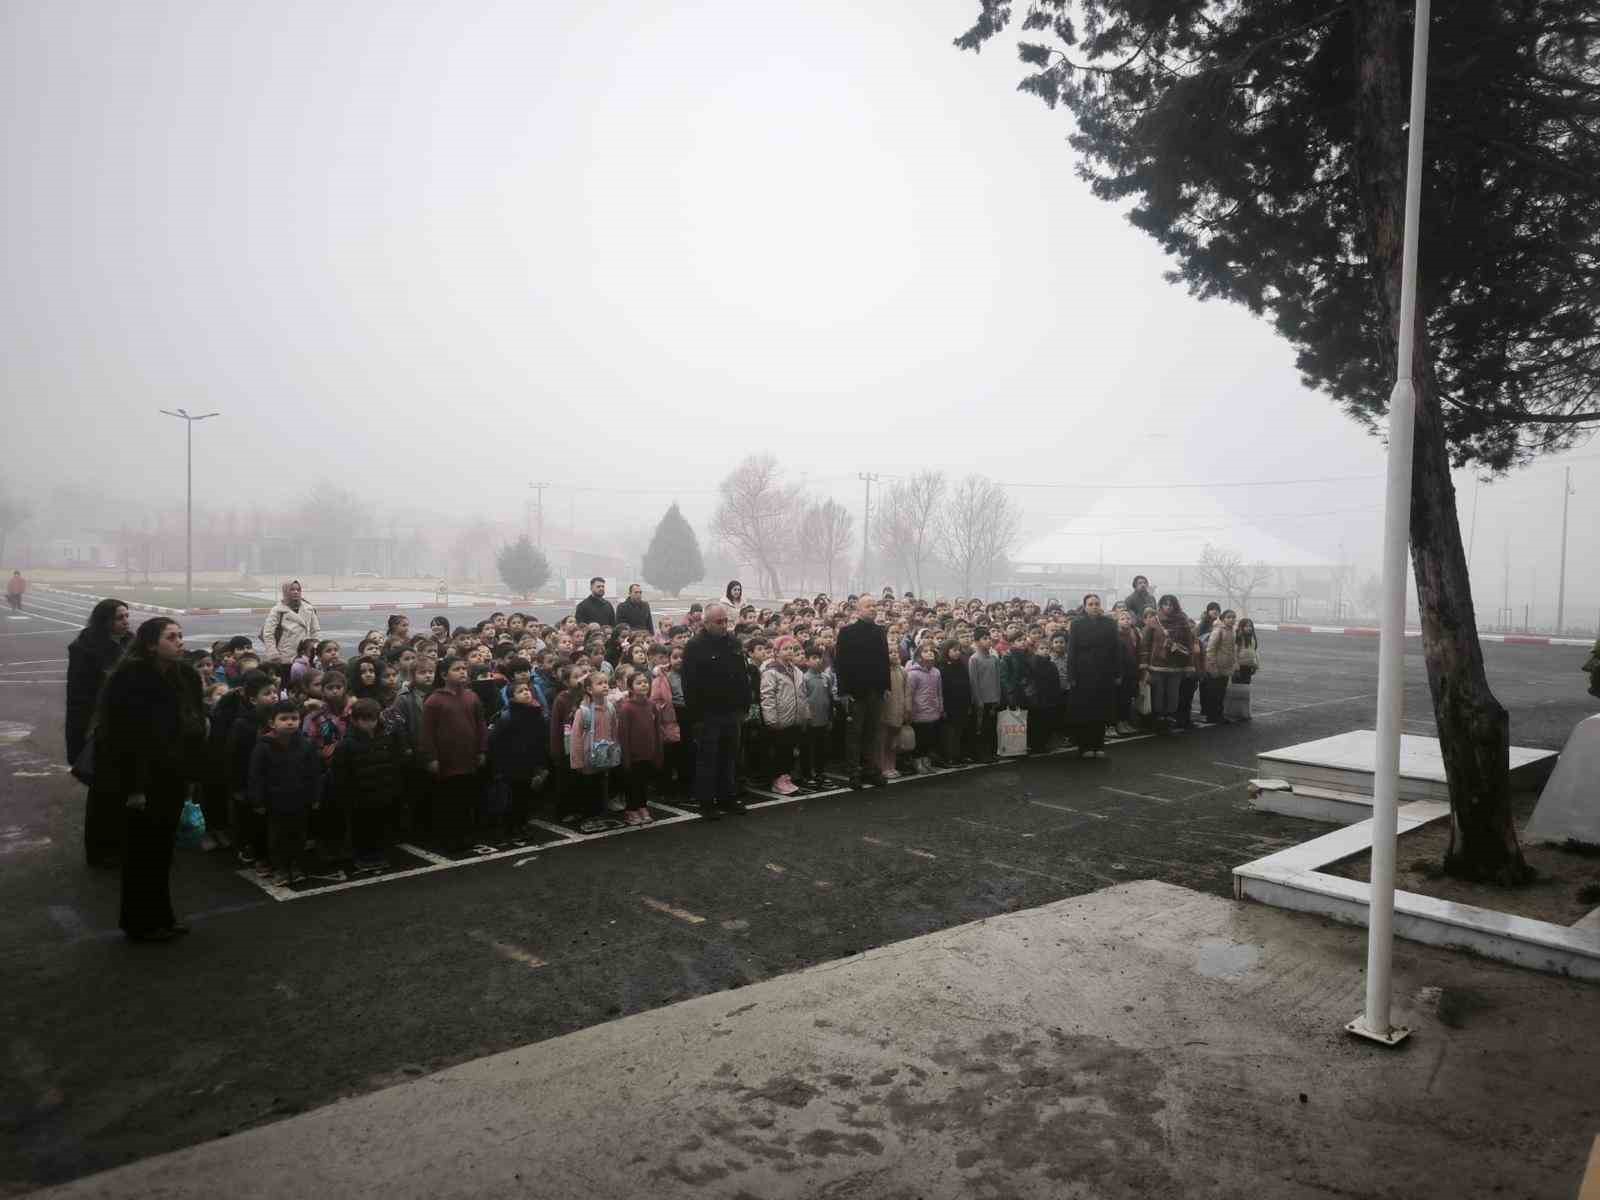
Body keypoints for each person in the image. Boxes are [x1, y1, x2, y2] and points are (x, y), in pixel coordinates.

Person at [97, 617, 207, 942]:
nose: (180, 642)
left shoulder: (185, 675)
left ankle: (163, 916)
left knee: (162, 851)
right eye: (171, 637)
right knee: (140, 853)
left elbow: (193, 720)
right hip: (142, 780)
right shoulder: (129, 679)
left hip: (173, 775)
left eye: (181, 636)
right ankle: (139, 922)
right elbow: (121, 738)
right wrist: (133, 788)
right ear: (150, 644)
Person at [66, 598, 132, 866]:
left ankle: (119, 844)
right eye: (120, 617)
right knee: (102, 793)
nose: (126, 621)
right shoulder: (86, 649)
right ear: (105, 621)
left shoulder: (131, 643)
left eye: (127, 616)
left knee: (123, 791)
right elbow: (79, 696)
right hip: (99, 728)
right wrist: (83, 732)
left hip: (126, 727)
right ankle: (99, 851)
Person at [680, 603, 752, 818]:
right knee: (708, 759)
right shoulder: (695, 646)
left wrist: (744, 704)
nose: (723, 626)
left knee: (730, 757)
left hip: (732, 710)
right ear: (706, 623)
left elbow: (742, 675)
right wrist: (697, 717)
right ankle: (706, 802)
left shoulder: (733, 642)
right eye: (719, 622)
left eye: (726, 621)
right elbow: (689, 684)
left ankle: (727, 796)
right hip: (708, 713)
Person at [248, 700, 321, 886]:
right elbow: (256, 776)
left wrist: (314, 797)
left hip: (300, 800)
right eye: (284, 719)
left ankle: (295, 865)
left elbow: (313, 773)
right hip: (275, 802)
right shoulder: (263, 747)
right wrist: (258, 802)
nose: (290, 722)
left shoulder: (306, 745)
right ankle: (280, 868)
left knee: (298, 835)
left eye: (294, 718)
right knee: (277, 837)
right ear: (272, 723)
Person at [420, 657, 488, 851]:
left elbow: (481, 725)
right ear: (443, 675)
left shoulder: (471, 697)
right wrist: (431, 757)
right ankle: (449, 839)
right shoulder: (434, 700)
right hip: (447, 761)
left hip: (468, 758)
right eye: (456, 669)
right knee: (449, 801)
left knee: (467, 800)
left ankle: (467, 835)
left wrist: (482, 749)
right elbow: (427, 733)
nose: (462, 672)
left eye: (464, 668)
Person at [330, 698, 401, 870]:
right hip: (359, 797)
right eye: (364, 720)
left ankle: (378, 853)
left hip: (382, 792)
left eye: (372, 719)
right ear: (354, 720)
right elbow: (340, 774)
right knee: (361, 828)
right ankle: (362, 856)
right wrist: (346, 795)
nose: (369, 724)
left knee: (380, 825)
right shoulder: (347, 744)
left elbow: (392, 764)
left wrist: (393, 788)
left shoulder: (385, 738)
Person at [834, 596, 889, 789]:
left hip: (876, 691)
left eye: (875, 606)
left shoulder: (880, 631)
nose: (873, 609)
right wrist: (843, 691)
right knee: (854, 734)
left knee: (872, 733)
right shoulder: (847, 632)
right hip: (855, 693)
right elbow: (840, 663)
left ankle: (870, 770)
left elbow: (884, 661)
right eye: (868, 606)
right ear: (858, 610)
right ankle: (853, 772)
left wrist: (886, 687)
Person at [488, 680, 550, 832]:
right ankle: (512, 826)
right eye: (520, 691)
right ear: (511, 697)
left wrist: (541, 764)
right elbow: (495, 741)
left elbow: (542, 739)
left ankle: (522, 823)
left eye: (527, 689)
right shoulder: (506, 717)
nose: (526, 692)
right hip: (512, 764)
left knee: (525, 795)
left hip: (530, 762)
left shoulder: (537, 713)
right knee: (513, 797)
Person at [1065, 594, 1120, 758]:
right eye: (1090, 604)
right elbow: (1072, 651)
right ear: (1085, 606)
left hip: (1104, 672)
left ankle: (1099, 745)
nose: (1094, 607)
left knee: (1101, 710)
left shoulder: (1109, 623)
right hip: (1083, 673)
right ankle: (1085, 746)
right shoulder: (1076, 624)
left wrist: (1117, 672)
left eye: (1097, 603)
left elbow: (1116, 650)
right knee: (1085, 711)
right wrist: (1071, 675)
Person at [1141, 595, 1196, 731]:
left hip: (1176, 666)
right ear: (1160, 606)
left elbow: (1189, 643)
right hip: (1157, 666)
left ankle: (1169, 720)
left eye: (1171, 604)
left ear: (1175, 606)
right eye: (1165, 604)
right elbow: (1145, 644)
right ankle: (1158, 722)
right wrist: (1144, 665)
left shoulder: (1182, 621)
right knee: (1158, 696)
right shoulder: (1154, 621)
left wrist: (1190, 665)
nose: (1168, 607)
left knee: (1173, 696)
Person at [759, 636, 806, 794]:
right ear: (776, 652)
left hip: (794, 718)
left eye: (791, 649)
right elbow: (767, 696)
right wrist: (771, 719)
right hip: (780, 719)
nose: (789, 652)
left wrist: (804, 714)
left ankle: (786, 777)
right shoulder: (771, 671)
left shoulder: (797, 671)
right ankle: (777, 780)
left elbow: (802, 694)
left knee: (789, 750)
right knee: (779, 750)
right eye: (785, 649)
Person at [617, 671, 663, 824]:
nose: (644, 685)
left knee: (643, 781)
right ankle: (631, 809)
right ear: (630, 687)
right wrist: (627, 758)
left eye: (645, 682)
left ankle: (642, 806)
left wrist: (657, 751)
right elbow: (623, 735)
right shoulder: (627, 708)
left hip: (648, 752)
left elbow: (657, 730)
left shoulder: (651, 705)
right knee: (632, 783)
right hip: (633, 755)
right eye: (639, 682)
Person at [260, 581, 321, 675]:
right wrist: (273, 653)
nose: (296, 592)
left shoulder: (309, 608)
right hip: (285, 657)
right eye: (292, 589)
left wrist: (315, 649)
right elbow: (268, 633)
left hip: (305, 656)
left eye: (298, 589)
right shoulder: (278, 610)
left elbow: (315, 631)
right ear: (285, 591)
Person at [905, 641, 945, 773]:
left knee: (930, 738)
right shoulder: (913, 673)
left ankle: (927, 761)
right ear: (918, 656)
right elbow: (909, 694)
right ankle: (917, 761)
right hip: (919, 712)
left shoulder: (936, 672)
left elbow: (939, 692)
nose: (929, 653)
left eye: (931, 651)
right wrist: (909, 710)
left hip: (933, 710)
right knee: (920, 739)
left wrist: (940, 706)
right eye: (925, 651)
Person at [967, 628, 1002, 762]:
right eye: (984, 638)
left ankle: (993, 752)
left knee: (992, 728)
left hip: (994, 699)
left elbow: (998, 679)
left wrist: (998, 696)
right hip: (981, 701)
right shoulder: (974, 659)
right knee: (981, 728)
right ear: (976, 642)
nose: (988, 641)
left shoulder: (994, 658)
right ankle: (982, 754)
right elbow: (973, 682)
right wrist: (978, 700)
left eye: (989, 638)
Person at [937, 639, 973, 765]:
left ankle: (958, 754)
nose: (957, 653)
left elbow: (967, 684)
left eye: (959, 650)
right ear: (947, 651)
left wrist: (968, 702)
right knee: (950, 731)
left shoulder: (961, 665)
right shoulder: (942, 666)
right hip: (949, 704)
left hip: (962, 703)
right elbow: (942, 688)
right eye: (954, 650)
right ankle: (950, 756)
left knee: (960, 730)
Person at [1201, 609, 1239, 723]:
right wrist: (1213, 667)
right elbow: (1210, 650)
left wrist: (1234, 664)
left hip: (1226, 667)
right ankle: (1212, 716)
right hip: (1216, 667)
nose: (1231, 619)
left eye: (1233, 617)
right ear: (1223, 619)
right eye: (1229, 617)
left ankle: (1219, 714)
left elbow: (1232, 650)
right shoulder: (1218, 631)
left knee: (1221, 692)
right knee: (1214, 693)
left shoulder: (1232, 631)